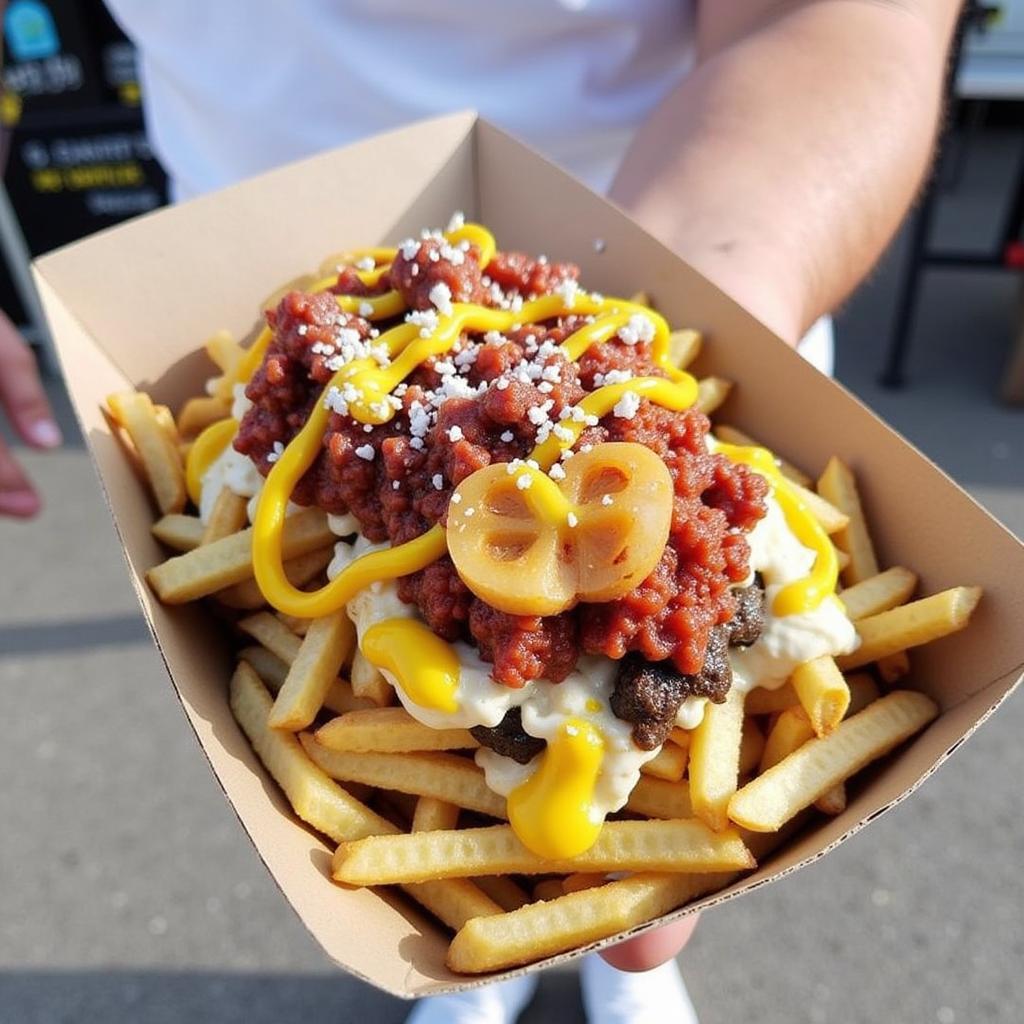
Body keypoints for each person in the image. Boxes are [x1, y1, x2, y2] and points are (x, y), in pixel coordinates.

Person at [1, 1, 960, 1019]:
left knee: (617, 833)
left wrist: (697, 297)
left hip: (689, 244)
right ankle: (474, 964)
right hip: (247, 280)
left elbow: (834, 21)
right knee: (473, 889)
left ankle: (604, 943)